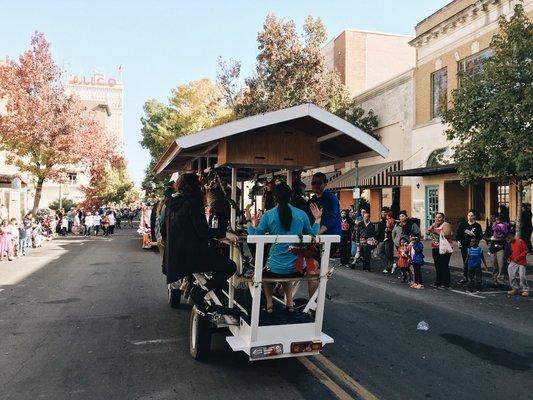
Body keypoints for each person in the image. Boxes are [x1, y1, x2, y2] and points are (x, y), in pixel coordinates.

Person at [162, 173, 238, 312]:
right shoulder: (193, 202)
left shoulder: (171, 204)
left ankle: (198, 288)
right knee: (230, 266)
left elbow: (165, 230)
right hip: (191, 257)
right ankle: (200, 292)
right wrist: (224, 233)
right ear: (194, 186)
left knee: (217, 262)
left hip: (175, 257)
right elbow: (202, 231)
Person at [245, 182, 322, 312]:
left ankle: (269, 304)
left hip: (274, 268)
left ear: (275, 197)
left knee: (263, 273)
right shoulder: (301, 214)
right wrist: (318, 219)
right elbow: (313, 235)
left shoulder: (268, 215)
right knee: (287, 268)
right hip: (297, 269)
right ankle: (290, 304)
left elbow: (253, 236)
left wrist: (248, 221)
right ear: (290, 197)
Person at [456, 210, 483, 283]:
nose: (470, 217)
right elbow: (458, 234)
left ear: (474, 216)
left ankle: (472, 277)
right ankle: (465, 277)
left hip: (473, 247)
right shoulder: (463, 224)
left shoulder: (477, 226)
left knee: (473, 261)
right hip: (464, 246)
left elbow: (480, 236)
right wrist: (458, 241)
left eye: (471, 216)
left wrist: (474, 235)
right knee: (465, 261)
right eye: (468, 215)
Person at [428, 212, 453, 289]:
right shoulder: (435, 224)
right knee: (437, 266)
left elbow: (447, 234)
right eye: (436, 217)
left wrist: (435, 231)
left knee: (444, 265)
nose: (437, 219)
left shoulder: (446, 224)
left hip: (444, 248)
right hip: (435, 247)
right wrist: (433, 225)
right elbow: (428, 231)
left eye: (439, 217)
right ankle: (438, 282)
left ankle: (446, 284)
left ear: (443, 218)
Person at [487, 214, 509, 287]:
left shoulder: (504, 226)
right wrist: (490, 239)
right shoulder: (490, 227)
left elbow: (507, 236)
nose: (493, 220)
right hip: (493, 248)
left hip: (501, 248)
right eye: (493, 218)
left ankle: (501, 281)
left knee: (501, 265)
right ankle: (494, 281)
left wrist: (500, 239)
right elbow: (484, 236)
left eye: (496, 219)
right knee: (494, 265)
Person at [506, 232, 529, 297]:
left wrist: (518, 258)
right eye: (508, 239)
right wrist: (509, 258)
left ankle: (525, 290)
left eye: (509, 238)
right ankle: (515, 288)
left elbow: (526, 251)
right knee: (511, 275)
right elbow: (513, 252)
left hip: (521, 261)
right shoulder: (511, 243)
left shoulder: (520, 241)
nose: (509, 240)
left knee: (522, 276)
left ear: (513, 236)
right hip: (513, 261)